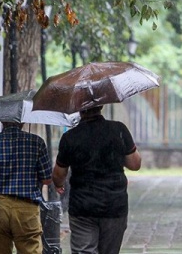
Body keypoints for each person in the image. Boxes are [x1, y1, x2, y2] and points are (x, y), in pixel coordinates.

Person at [52, 106, 142, 254]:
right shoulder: (118, 130)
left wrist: (59, 184)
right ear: (101, 106)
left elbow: (58, 174)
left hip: (82, 207)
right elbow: (135, 164)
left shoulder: (70, 137)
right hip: (114, 205)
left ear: (79, 110)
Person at [0, 121, 53, 254]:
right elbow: (47, 178)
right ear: (22, 122)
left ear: (2, 121)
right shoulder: (37, 142)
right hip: (27, 207)